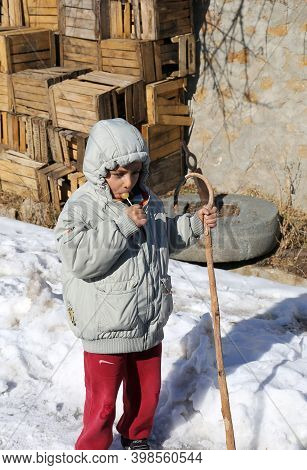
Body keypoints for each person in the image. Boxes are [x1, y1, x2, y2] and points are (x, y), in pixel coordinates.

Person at [54, 118, 217, 450]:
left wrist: (194, 224)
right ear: (101, 172)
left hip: (146, 319)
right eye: (118, 174)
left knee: (146, 393)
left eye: (136, 171)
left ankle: (136, 436)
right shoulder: (83, 207)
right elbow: (79, 260)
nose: (129, 181)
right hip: (106, 325)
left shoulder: (148, 200)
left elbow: (166, 236)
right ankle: (92, 449)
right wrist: (120, 226)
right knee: (101, 402)